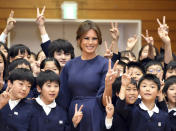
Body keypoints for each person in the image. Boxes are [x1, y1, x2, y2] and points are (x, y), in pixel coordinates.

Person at [59, 20, 119, 131]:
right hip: (74, 114)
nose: (90, 42)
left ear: (99, 41)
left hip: (96, 115)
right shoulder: (70, 65)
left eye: (94, 38)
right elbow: (63, 98)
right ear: (79, 40)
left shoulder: (105, 64)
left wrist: (108, 84)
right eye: (86, 38)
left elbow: (106, 102)